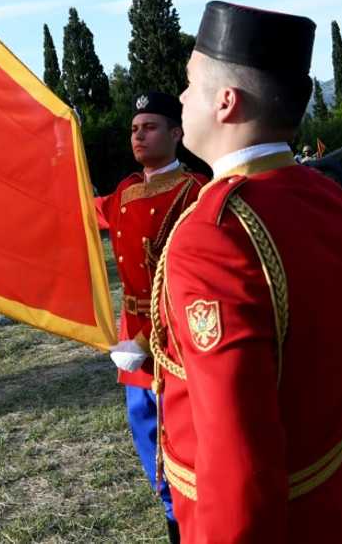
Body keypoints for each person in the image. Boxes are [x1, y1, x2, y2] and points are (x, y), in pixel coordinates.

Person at [149, 1, 342, 542]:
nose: (183, 97)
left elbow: (237, 454)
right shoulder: (322, 193)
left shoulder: (213, 234)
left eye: (190, 84)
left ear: (226, 102)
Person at [95, 92, 206, 544]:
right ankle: (173, 521)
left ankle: (198, 519)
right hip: (133, 340)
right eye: (134, 129)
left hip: (176, 337)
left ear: (176, 134)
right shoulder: (123, 190)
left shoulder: (195, 190)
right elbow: (84, 209)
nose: (138, 135)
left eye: (150, 127)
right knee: (146, 434)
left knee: (187, 439)